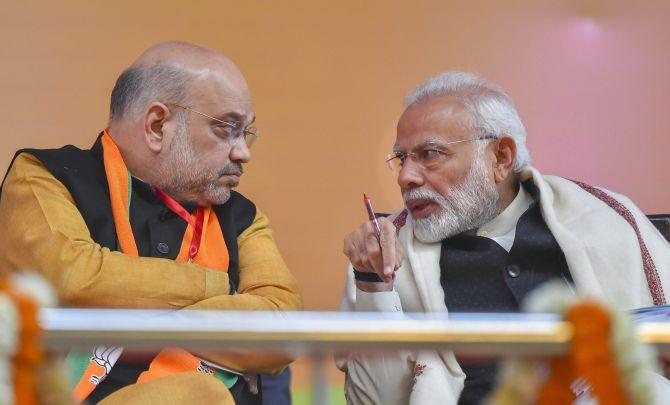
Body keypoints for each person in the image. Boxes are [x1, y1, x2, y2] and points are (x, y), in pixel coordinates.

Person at [339, 72, 670, 404]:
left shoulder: (602, 220)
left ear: (501, 157)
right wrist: (373, 285)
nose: (406, 177)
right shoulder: (385, 255)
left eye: (429, 154)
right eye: (401, 158)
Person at [0, 41, 302, 404]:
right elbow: (73, 278)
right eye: (227, 129)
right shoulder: (45, 177)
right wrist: (224, 290)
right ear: (158, 125)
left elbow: (283, 326)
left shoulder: (242, 218)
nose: (243, 152)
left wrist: (144, 314)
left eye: (246, 132)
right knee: (196, 394)